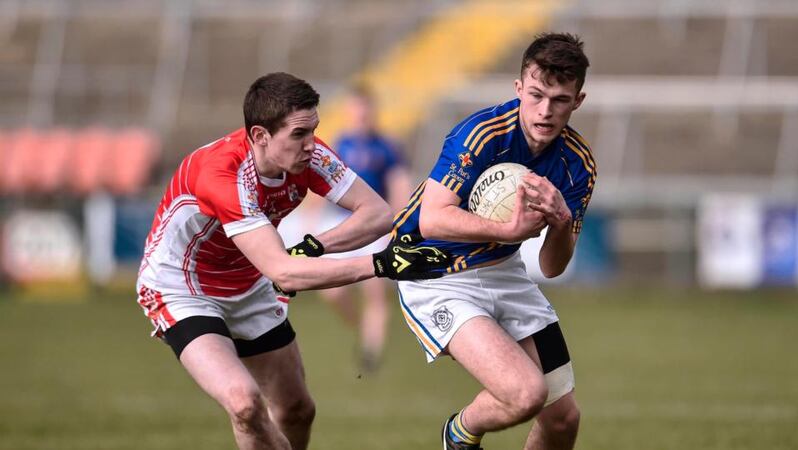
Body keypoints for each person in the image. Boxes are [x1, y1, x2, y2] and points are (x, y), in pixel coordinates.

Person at [135, 72, 449, 450]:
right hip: (182, 288)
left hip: (249, 283)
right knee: (244, 403)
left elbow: (377, 213)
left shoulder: (311, 156)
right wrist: (379, 264)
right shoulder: (223, 175)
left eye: (313, 130)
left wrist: (317, 245)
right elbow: (284, 271)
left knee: (297, 409)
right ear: (260, 137)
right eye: (299, 134)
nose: (311, 144)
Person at [391, 33, 596, 449]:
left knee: (562, 420)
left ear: (578, 101)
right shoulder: (481, 135)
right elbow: (432, 218)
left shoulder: (577, 166)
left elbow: (553, 266)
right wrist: (508, 231)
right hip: (433, 270)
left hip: (503, 272)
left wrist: (560, 222)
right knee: (525, 394)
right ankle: (460, 433)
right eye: (536, 95)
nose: (545, 110)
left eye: (559, 100)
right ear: (518, 89)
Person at [318, 85, 411, 372]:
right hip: (339, 221)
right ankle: (359, 325)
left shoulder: (386, 148)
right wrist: (310, 219)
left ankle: (371, 352)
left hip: (373, 224)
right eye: (356, 108)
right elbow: (318, 181)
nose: (360, 114)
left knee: (374, 290)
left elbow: (399, 186)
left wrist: (396, 222)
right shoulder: (338, 144)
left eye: (365, 108)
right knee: (331, 290)